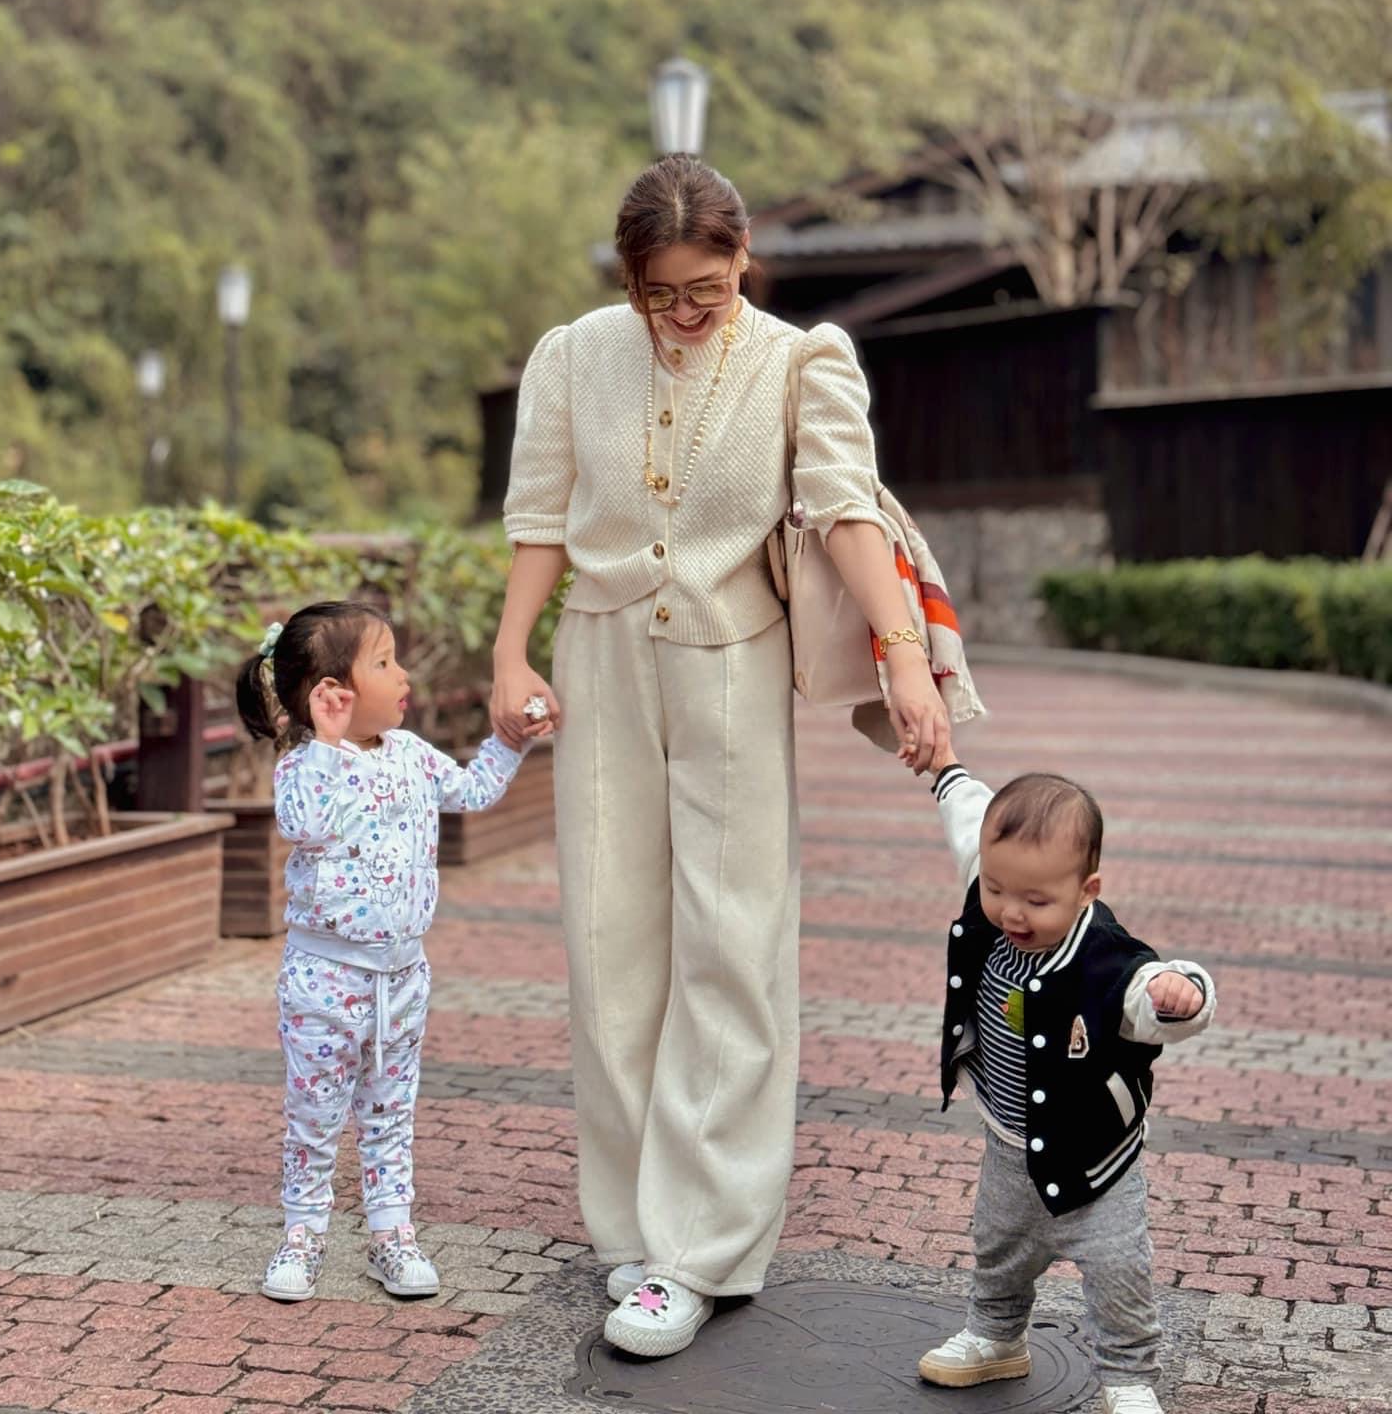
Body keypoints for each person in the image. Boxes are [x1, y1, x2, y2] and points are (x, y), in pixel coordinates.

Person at [493, 152, 954, 1359]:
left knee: (732, 938)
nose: (687, 314)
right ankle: (636, 1228)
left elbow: (846, 508)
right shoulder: (572, 353)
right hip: (597, 659)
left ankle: (701, 1244)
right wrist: (510, 655)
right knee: (609, 939)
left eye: (708, 287)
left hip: (734, 663)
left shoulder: (802, 358)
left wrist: (906, 660)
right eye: (663, 293)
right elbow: (540, 514)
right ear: (629, 277)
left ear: (744, 259)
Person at [235, 598, 548, 1305]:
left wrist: (512, 742)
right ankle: (303, 1234)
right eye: (384, 662)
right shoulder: (303, 769)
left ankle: (391, 1234)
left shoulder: (410, 755)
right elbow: (302, 827)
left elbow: (471, 792)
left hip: (401, 978)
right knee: (314, 1118)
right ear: (332, 695)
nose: (403, 674)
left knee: (389, 1112)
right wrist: (326, 745)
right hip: (324, 980)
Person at [901, 724, 1216, 1414]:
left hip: (1097, 1162)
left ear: (1085, 889)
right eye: (997, 889)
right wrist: (944, 765)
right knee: (999, 1251)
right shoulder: (995, 886)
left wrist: (1181, 993)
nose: (1011, 911)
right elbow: (967, 818)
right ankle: (995, 1338)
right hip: (1009, 1146)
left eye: (1037, 901)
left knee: (1118, 1271)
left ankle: (1128, 1377)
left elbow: (1155, 992)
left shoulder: (1107, 960)